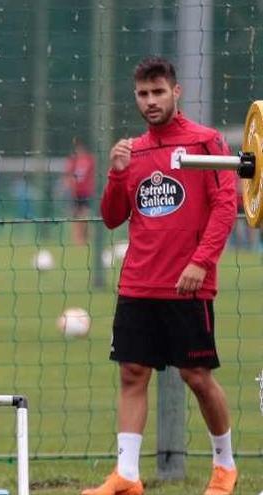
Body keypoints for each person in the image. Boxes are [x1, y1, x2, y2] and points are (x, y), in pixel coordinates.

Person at [84, 56, 237, 495]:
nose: (150, 102)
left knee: (197, 376)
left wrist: (200, 262)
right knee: (132, 373)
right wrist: (115, 175)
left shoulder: (206, 144)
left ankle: (224, 467)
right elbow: (112, 218)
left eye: (158, 92)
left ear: (176, 92)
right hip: (137, 283)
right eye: (142, 94)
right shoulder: (133, 150)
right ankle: (127, 476)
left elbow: (226, 207)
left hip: (188, 283)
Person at [63, 136, 95, 244]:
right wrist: (68, 184)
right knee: (76, 216)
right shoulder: (73, 160)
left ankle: (86, 236)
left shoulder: (89, 159)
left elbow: (93, 174)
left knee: (85, 215)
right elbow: (68, 175)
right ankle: (77, 239)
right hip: (75, 193)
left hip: (86, 192)